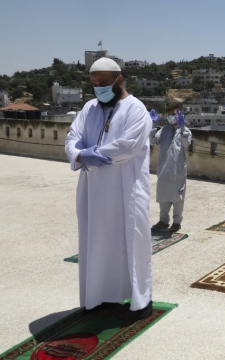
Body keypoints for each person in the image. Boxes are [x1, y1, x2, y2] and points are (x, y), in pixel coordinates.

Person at [65, 57, 153, 318]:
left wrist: (96, 153)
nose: (98, 88)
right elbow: (72, 138)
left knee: (132, 241)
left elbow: (128, 146)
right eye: (94, 84)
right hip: (92, 189)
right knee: (97, 241)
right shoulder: (89, 108)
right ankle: (101, 296)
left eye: (103, 83)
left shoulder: (136, 109)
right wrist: (80, 155)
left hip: (126, 189)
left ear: (119, 80)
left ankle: (141, 300)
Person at [150, 104, 192, 232]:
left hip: (177, 170)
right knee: (164, 197)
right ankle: (163, 221)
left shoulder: (185, 131)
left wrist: (183, 126)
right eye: (168, 114)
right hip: (164, 169)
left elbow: (186, 143)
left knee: (178, 197)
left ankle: (177, 222)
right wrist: (152, 125)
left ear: (179, 114)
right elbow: (152, 141)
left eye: (173, 114)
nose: (170, 117)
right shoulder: (163, 130)